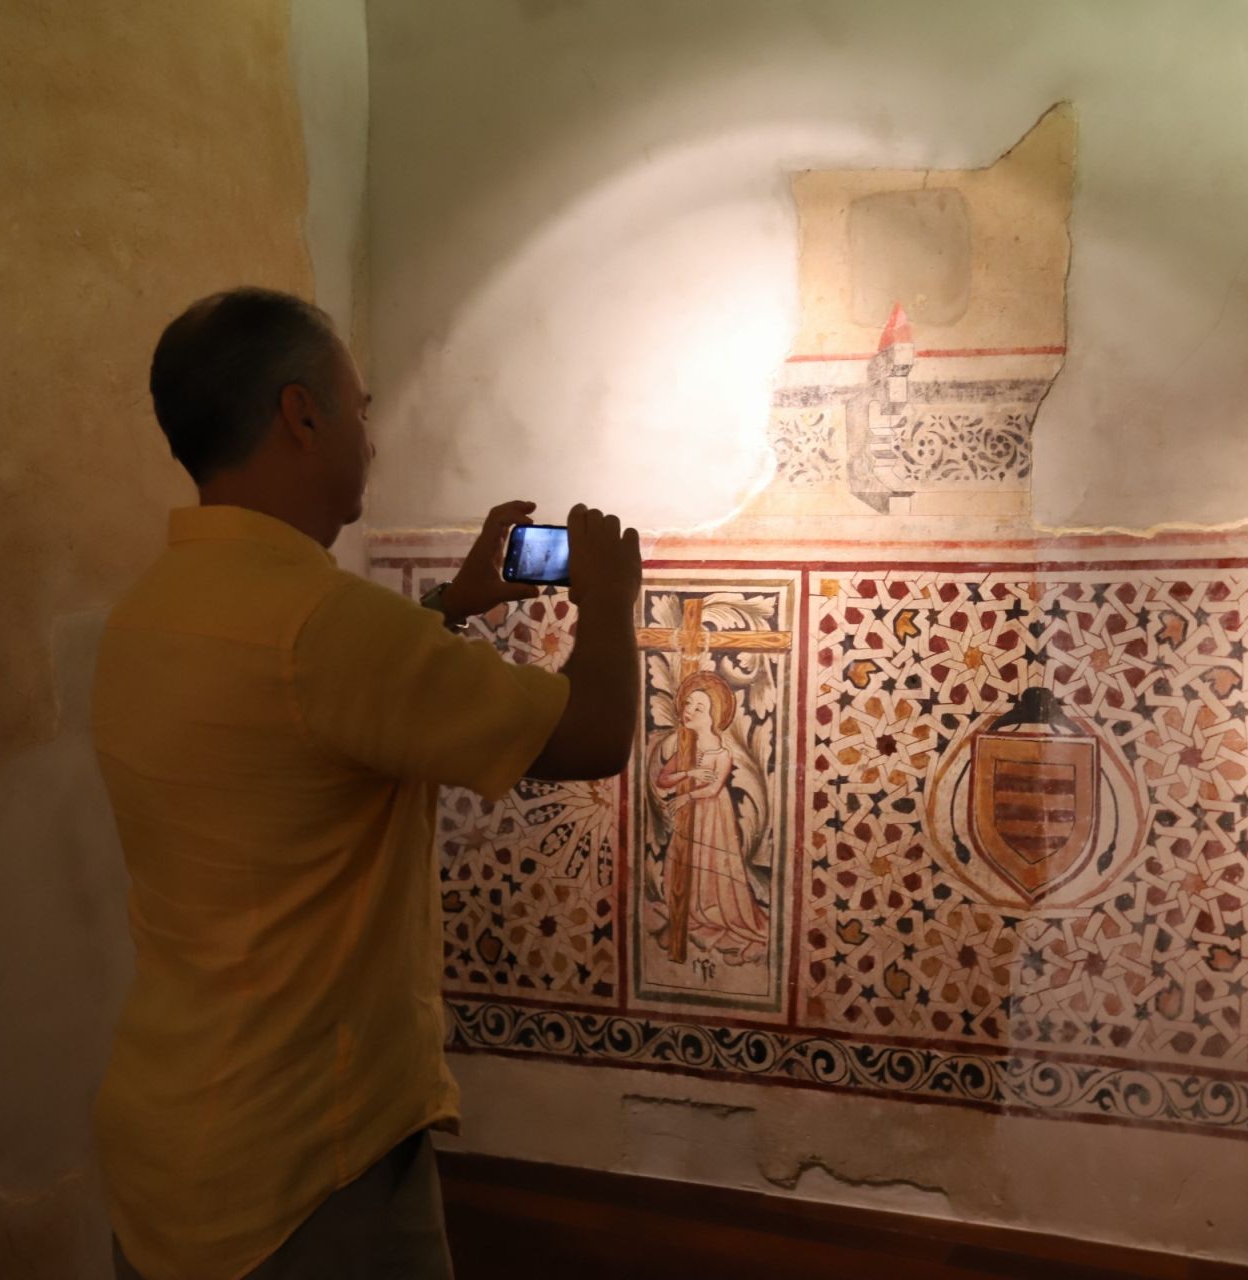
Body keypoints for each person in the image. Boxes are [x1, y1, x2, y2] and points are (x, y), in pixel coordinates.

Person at [91, 287, 640, 1280]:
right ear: (303, 414)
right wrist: (608, 598)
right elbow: (597, 732)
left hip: (169, 1135)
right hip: (305, 1167)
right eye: (363, 405)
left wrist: (454, 605)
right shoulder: (326, 625)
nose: (371, 435)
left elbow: (308, 719)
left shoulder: (150, 608)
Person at [648, 671, 769, 965]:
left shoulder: (721, 751)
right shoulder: (685, 745)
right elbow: (664, 780)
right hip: (690, 813)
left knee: (715, 863)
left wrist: (687, 795)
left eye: (698, 708)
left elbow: (714, 788)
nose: (688, 711)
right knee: (684, 861)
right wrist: (688, 774)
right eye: (688, 704)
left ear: (714, 715)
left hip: (714, 814)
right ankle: (688, 915)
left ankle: (731, 921)